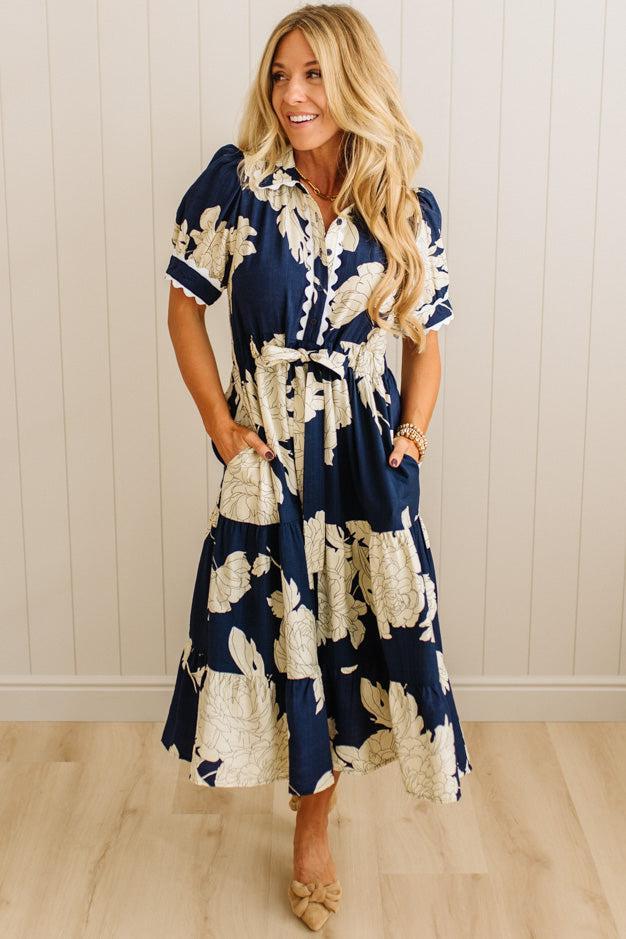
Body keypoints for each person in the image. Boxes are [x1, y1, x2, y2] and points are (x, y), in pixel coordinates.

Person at [161, 3, 472, 931]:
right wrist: (222, 424)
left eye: (313, 75)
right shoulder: (235, 186)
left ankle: (317, 822)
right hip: (269, 456)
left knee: (351, 634)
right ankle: (310, 828)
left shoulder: (404, 205)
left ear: (353, 82)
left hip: (365, 465)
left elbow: (428, 342)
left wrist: (411, 439)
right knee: (281, 632)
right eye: (280, 75)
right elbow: (184, 308)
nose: (292, 95)